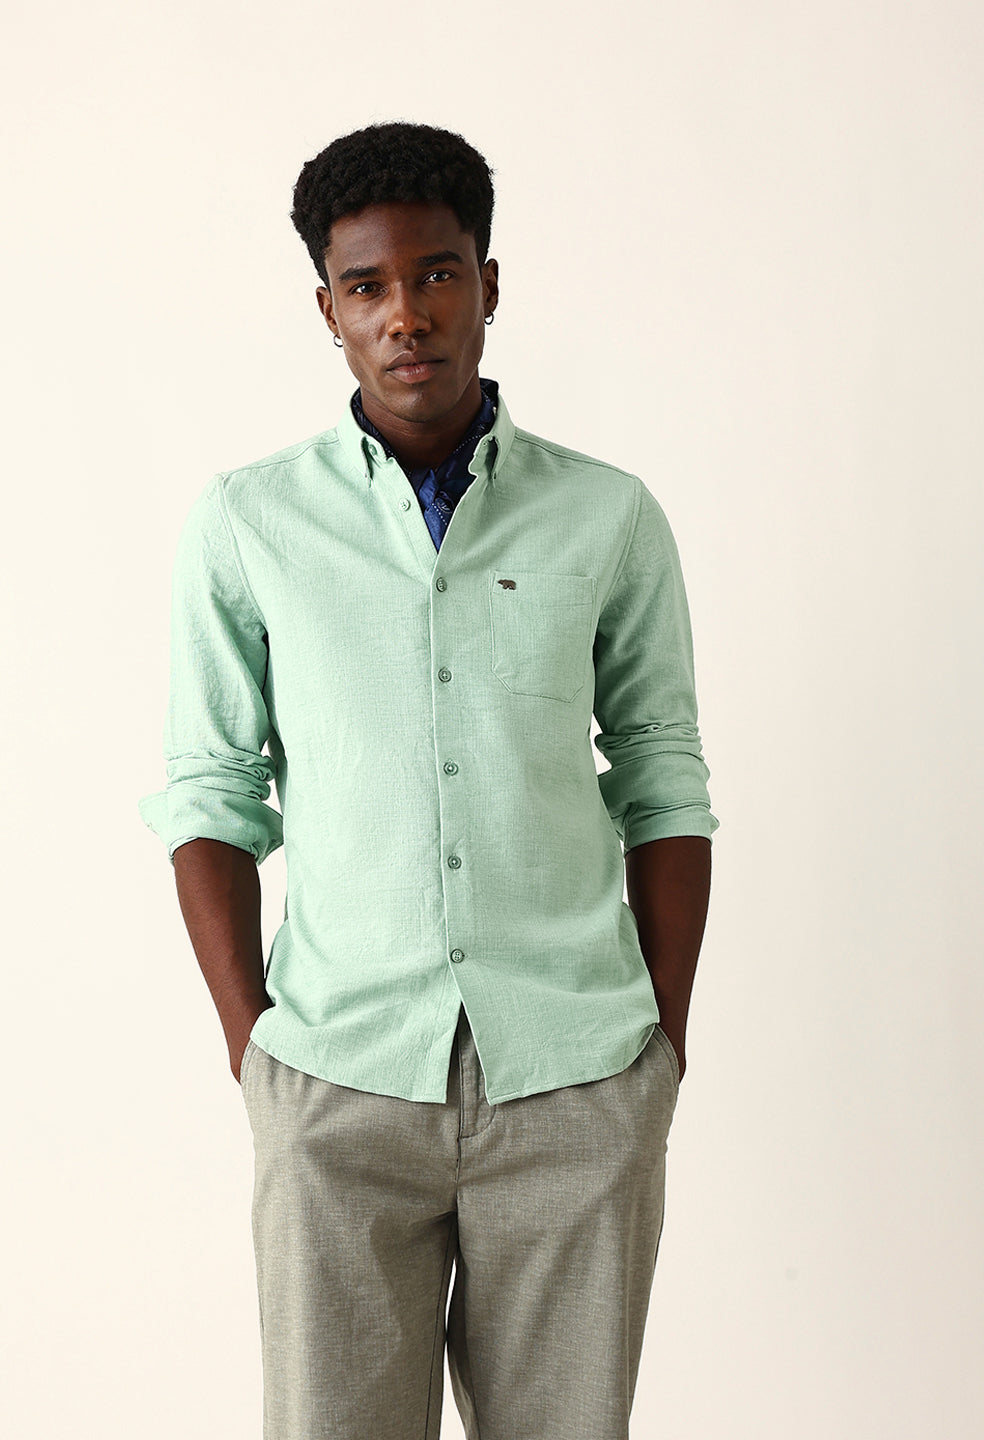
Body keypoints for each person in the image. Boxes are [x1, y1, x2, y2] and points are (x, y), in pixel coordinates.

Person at [139, 119, 718, 1440]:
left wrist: (657, 1046)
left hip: (577, 1079)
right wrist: (256, 1053)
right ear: (330, 312)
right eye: (368, 286)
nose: (406, 313)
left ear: (488, 285)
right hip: (337, 1083)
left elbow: (664, 778)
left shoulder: (608, 517)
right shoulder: (248, 523)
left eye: (438, 274)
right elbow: (211, 793)